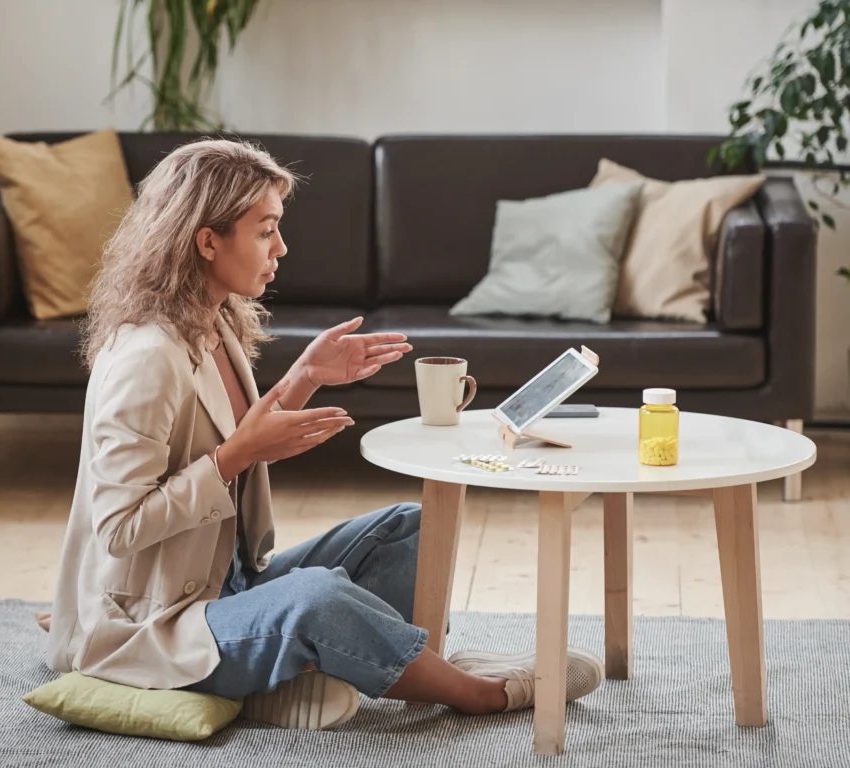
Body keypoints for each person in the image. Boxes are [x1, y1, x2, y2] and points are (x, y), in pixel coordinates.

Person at [43, 137, 604, 731]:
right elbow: (119, 527)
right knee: (316, 597)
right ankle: (473, 690)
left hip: (223, 584)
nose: (280, 248)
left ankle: (306, 670)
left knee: (410, 528)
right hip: (150, 623)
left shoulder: (213, 324)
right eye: (265, 231)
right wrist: (233, 459)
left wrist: (305, 377)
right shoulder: (146, 356)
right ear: (208, 239)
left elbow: (237, 438)